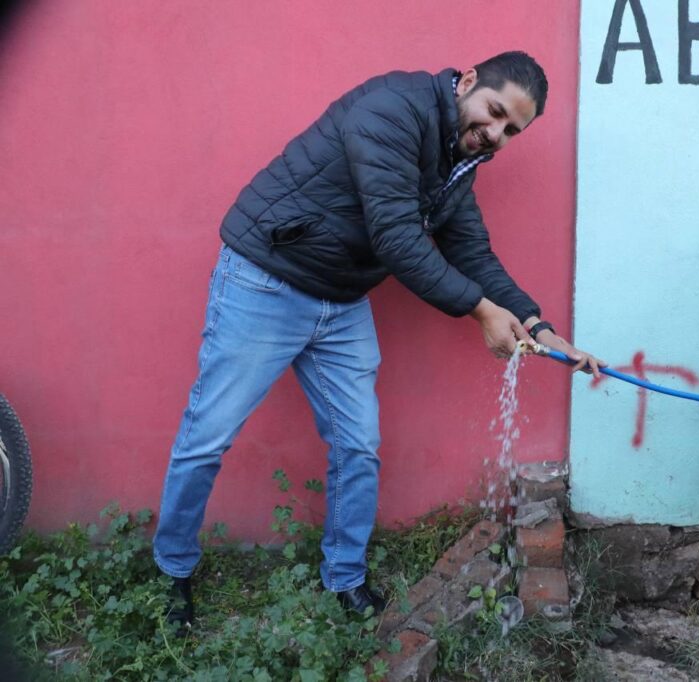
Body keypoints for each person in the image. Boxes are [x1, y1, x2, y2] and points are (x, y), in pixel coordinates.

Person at [152, 51, 604, 630]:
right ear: (467, 82)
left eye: (510, 131)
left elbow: (471, 252)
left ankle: (344, 578)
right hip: (266, 279)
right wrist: (479, 311)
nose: (493, 134)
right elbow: (394, 235)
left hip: (340, 299)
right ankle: (174, 571)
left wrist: (539, 326)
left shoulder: (458, 162)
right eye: (492, 113)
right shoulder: (393, 108)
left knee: (357, 445)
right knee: (208, 435)